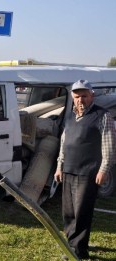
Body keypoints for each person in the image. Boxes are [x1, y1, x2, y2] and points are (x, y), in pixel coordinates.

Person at [54, 79, 116, 259]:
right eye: (77, 96)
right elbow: (64, 144)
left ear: (92, 96)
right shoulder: (71, 116)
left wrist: (104, 169)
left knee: (82, 212)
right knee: (68, 212)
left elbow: (109, 146)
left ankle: (78, 251)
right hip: (68, 170)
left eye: (84, 96)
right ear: (72, 98)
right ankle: (71, 242)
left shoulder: (103, 116)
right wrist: (59, 167)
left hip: (88, 173)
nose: (80, 100)